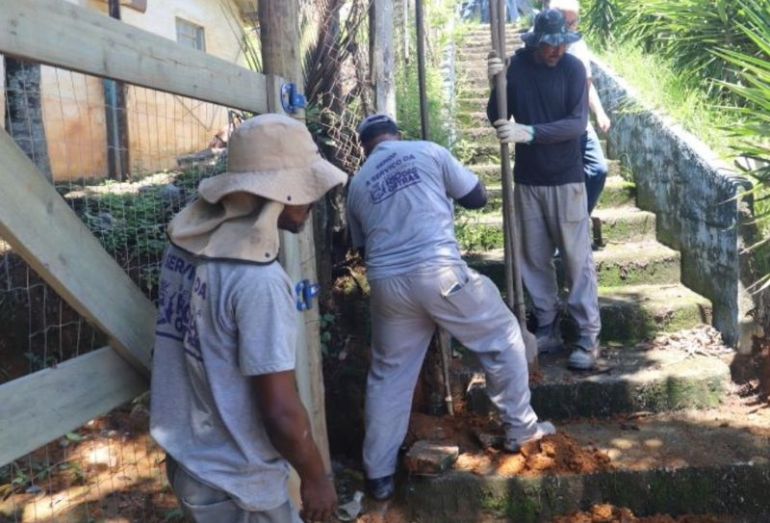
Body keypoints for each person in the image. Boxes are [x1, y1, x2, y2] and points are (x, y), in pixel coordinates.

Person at [150, 113, 347, 523]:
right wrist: (316, 478)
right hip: (240, 484)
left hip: (190, 461)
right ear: (278, 194)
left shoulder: (185, 251)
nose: (312, 202)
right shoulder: (258, 282)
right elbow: (279, 411)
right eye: (304, 188)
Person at [346, 114, 554, 502]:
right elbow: (477, 198)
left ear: (365, 148)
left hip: (388, 286)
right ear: (397, 135)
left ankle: (378, 475)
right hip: (439, 273)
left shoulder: (357, 183)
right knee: (504, 337)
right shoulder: (427, 151)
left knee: (389, 377)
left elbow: (360, 248)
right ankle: (522, 431)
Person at [486, 9, 602, 370]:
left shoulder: (573, 70)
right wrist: (497, 84)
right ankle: (547, 325)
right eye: (550, 44)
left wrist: (532, 133)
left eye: (562, 44)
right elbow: (497, 116)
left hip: (566, 178)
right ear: (536, 42)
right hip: (528, 180)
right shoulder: (517, 68)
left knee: (576, 258)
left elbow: (576, 124)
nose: (556, 51)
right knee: (534, 258)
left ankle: (588, 336)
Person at [546, 0, 611, 217]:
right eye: (566, 22)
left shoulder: (578, 45)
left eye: (574, 23)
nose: (570, 27)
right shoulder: (537, 43)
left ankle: (578, 220)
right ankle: (561, 231)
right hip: (551, 124)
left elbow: (587, 85)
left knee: (598, 170)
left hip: (579, 120)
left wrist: (599, 112)